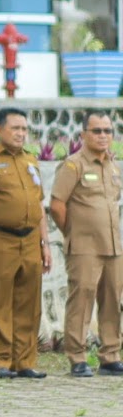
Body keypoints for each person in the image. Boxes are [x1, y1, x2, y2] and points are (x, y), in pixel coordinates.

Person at [0, 107, 52, 380]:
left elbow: (39, 204)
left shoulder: (31, 161)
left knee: (29, 303)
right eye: (15, 128)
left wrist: (45, 243)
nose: (21, 134)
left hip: (29, 240)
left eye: (24, 129)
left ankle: (24, 361)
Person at [50, 110, 123, 378]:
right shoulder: (73, 165)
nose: (103, 136)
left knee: (113, 301)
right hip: (84, 248)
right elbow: (57, 205)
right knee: (81, 302)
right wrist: (74, 233)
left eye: (107, 131)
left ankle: (110, 355)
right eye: (97, 131)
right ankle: (78, 357)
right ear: (83, 135)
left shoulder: (113, 166)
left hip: (113, 247)